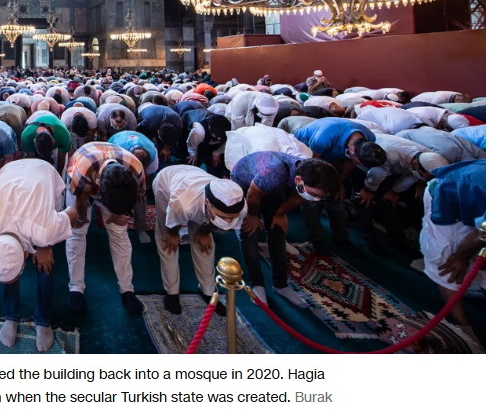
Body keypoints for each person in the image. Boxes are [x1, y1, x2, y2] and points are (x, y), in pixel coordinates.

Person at [0, 159, 80, 352]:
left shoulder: (43, 230)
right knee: (6, 265)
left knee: (45, 262)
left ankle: (43, 321)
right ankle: (10, 316)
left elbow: (72, 212)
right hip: (7, 173)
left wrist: (47, 244)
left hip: (43, 173)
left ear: (27, 254)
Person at [230, 152, 340, 307]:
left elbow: (297, 197)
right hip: (246, 186)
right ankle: (257, 284)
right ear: (298, 180)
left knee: (278, 231)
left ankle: (281, 285)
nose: (317, 200)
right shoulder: (274, 174)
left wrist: (280, 214)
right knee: (249, 233)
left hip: (272, 187)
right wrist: (253, 216)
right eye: (314, 195)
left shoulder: (305, 178)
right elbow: (253, 193)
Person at [64, 142, 146, 315]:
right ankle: (76, 288)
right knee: (77, 232)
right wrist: (82, 217)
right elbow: (80, 199)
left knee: (119, 233)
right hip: (83, 176)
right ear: (100, 189)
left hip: (110, 181)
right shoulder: (83, 171)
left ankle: (127, 290)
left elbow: (135, 198)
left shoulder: (136, 169)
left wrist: (119, 214)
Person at [153, 165, 246, 316]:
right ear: (208, 204)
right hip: (167, 182)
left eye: (231, 218)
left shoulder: (240, 207)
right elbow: (172, 224)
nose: (228, 221)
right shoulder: (183, 203)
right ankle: (172, 294)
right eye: (222, 217)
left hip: (195, 181)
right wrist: (173, 234)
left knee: (206, 246)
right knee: (168, 245)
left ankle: (208, 292)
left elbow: (217, 222)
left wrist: (204, 232)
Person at [293, 117, 387, 253]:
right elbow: (313, 167)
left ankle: (342, 240)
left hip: (331, 157)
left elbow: (350, 162)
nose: (358, 164)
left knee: (338, 200)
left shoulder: (369, 137)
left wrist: (339, 183)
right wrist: (321, 190)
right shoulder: (323, 138)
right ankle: (316, 239)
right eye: (358, 161)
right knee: (312, 199)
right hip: (308, 154)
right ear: (353, 150)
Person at [418, 159, 485, 343]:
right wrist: (460, 257)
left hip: (475, 196)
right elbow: (481, 234)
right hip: (447, 198)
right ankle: (466, 332)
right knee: (446, 261)